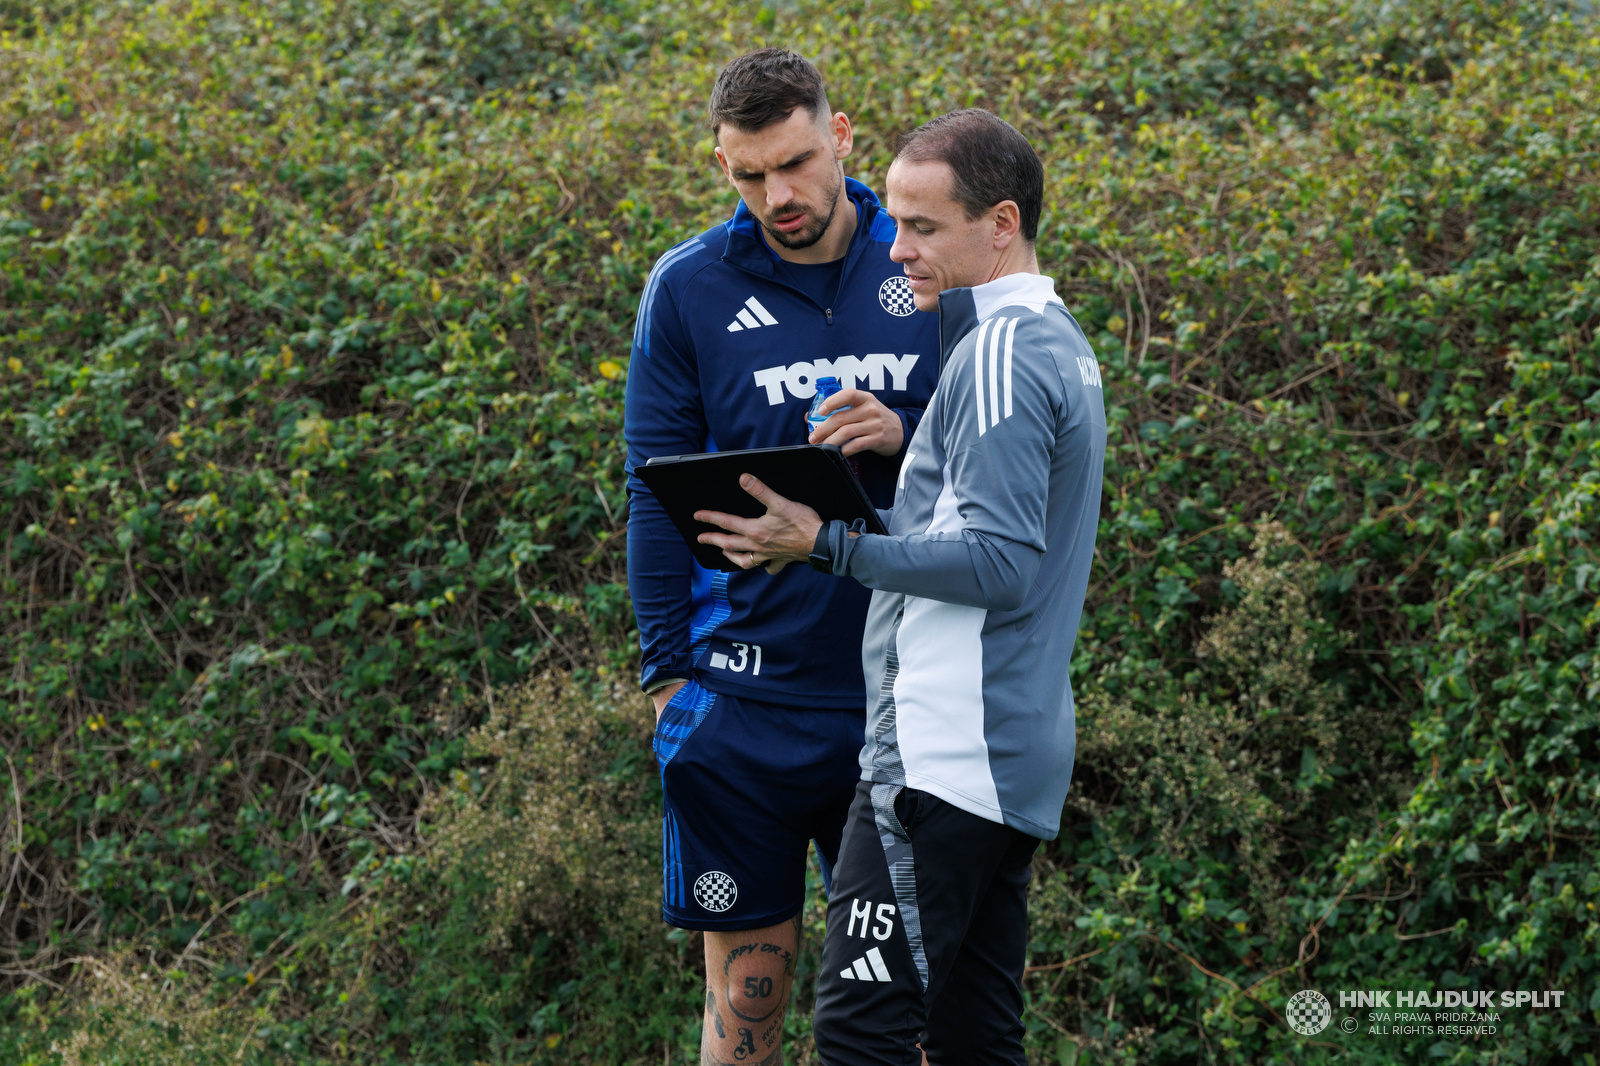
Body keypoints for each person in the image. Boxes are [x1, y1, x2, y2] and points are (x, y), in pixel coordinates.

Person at [693, 109, 1107, 1065]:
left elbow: (1000, 567)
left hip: (946, 757)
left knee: (859, 1034)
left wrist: (827, 544)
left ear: (1000, 223)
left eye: (923, 228)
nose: (899, 248)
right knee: (971, 1038)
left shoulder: (1001, 353)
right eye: (897, 226)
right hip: (992, 756)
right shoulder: (1046, 338)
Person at [623, 48, 941, 1064]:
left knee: (885, 1014)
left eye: (795, 164)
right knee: (746, 1003)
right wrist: (667, 674)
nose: (778, 195)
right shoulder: (688, 288)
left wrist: (901, 429)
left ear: (840, 137)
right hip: (744, 706)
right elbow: (651, 486)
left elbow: (1014, 448)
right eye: (747, 175)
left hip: (898, 702)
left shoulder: (927, 261)